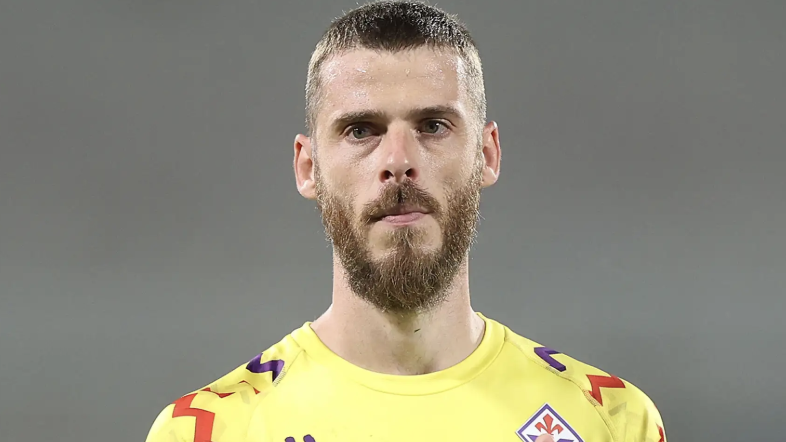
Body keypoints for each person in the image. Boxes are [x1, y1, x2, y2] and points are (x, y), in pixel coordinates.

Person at [144, 1, 667, 441]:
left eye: (433, 125)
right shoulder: (207, 430)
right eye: (360, 130)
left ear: (487, 154)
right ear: (308, 167)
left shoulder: (610, 421)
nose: (398, 161)